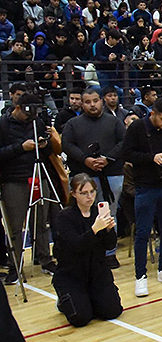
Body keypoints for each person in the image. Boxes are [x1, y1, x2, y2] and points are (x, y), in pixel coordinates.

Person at [122, 98, 162, 297]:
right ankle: (140, 276)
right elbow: (127, 153)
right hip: (145, 186)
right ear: (153, 114)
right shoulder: (137, 127)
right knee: (143, 232)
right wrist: (151, 158)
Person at [61, 88, 126, 269]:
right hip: (84, 175)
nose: (92, 105)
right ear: (82, 104)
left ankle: (109, 252)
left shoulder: (114, 121)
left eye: (95, 101)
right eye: (88, 102)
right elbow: (66, 145)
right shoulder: (73, 124)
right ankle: (86, 249)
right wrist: (85, 159)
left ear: (101, 101)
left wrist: (107, 158)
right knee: (84, 214)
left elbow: (123, 142)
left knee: (109, 213)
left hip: (112, 173)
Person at [0, 93, 59, 283]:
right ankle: (15, 265)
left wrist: (45, 144)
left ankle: (45, 258)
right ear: (17, 108)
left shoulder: (37, 122)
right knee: (16, 227)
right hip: (14, 180)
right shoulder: (3, 124)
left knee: (41, 222)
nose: (30, 117)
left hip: (38, 176)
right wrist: (21, 147)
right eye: (27, 113)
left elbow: (49, 151)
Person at [52, 174, 123, 327]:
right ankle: (65, 298)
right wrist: (94, 230)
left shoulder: (99, 214)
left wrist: (110, 230)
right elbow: (76, 245)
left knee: (112, 311)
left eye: (92, 192)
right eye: (83, 193)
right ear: (74, 194)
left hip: (97, 272)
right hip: (72, 274)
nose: (89, 197)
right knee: (81, 318)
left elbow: (110, 245)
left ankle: (89, 298)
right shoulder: (65, 217)